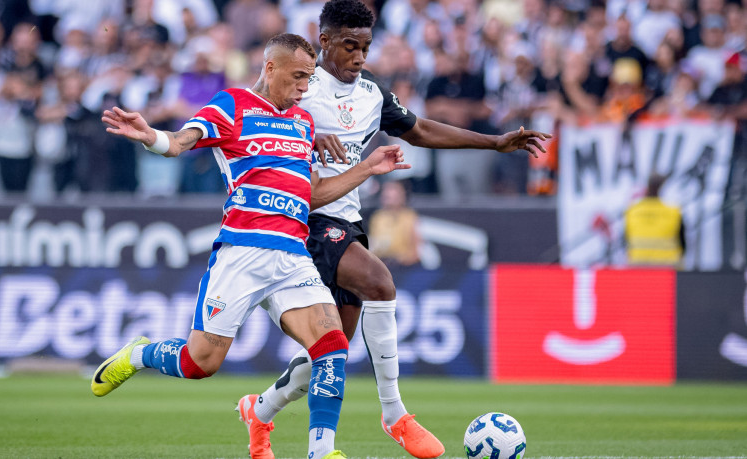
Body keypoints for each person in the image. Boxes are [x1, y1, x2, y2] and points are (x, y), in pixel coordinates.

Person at [239, 2, 552, 459]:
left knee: (331, 354)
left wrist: (495, 142)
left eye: (365, 46)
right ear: (324, 41)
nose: (360, 56)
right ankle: (394, 414)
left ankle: (260, 410)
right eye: (350, 45)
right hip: (302, 218)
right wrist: (302, 134)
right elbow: (250, 113)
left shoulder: (371, 94)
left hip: (347, 219)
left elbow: (420, 129)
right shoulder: (299, 85)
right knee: (380, 283)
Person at [92, 33, 409, 459]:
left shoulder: (304, 123)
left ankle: (322, 451)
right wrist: (150, 135)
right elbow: (179, 143)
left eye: (309, 78)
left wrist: (368, 167)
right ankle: (140, 353)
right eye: (298, 76)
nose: (303, 87)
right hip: (242, 252)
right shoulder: (232, 105)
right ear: (270, 67)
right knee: (199, 363)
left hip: (293, 255)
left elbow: (311, 193)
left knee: (332, 345)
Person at [624, 173, 686, 267]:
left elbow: (627, 240)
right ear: (662, 187)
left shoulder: (632, 211)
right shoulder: (673, 212)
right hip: (668, 268)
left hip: (638, 267)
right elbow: (683, 244)